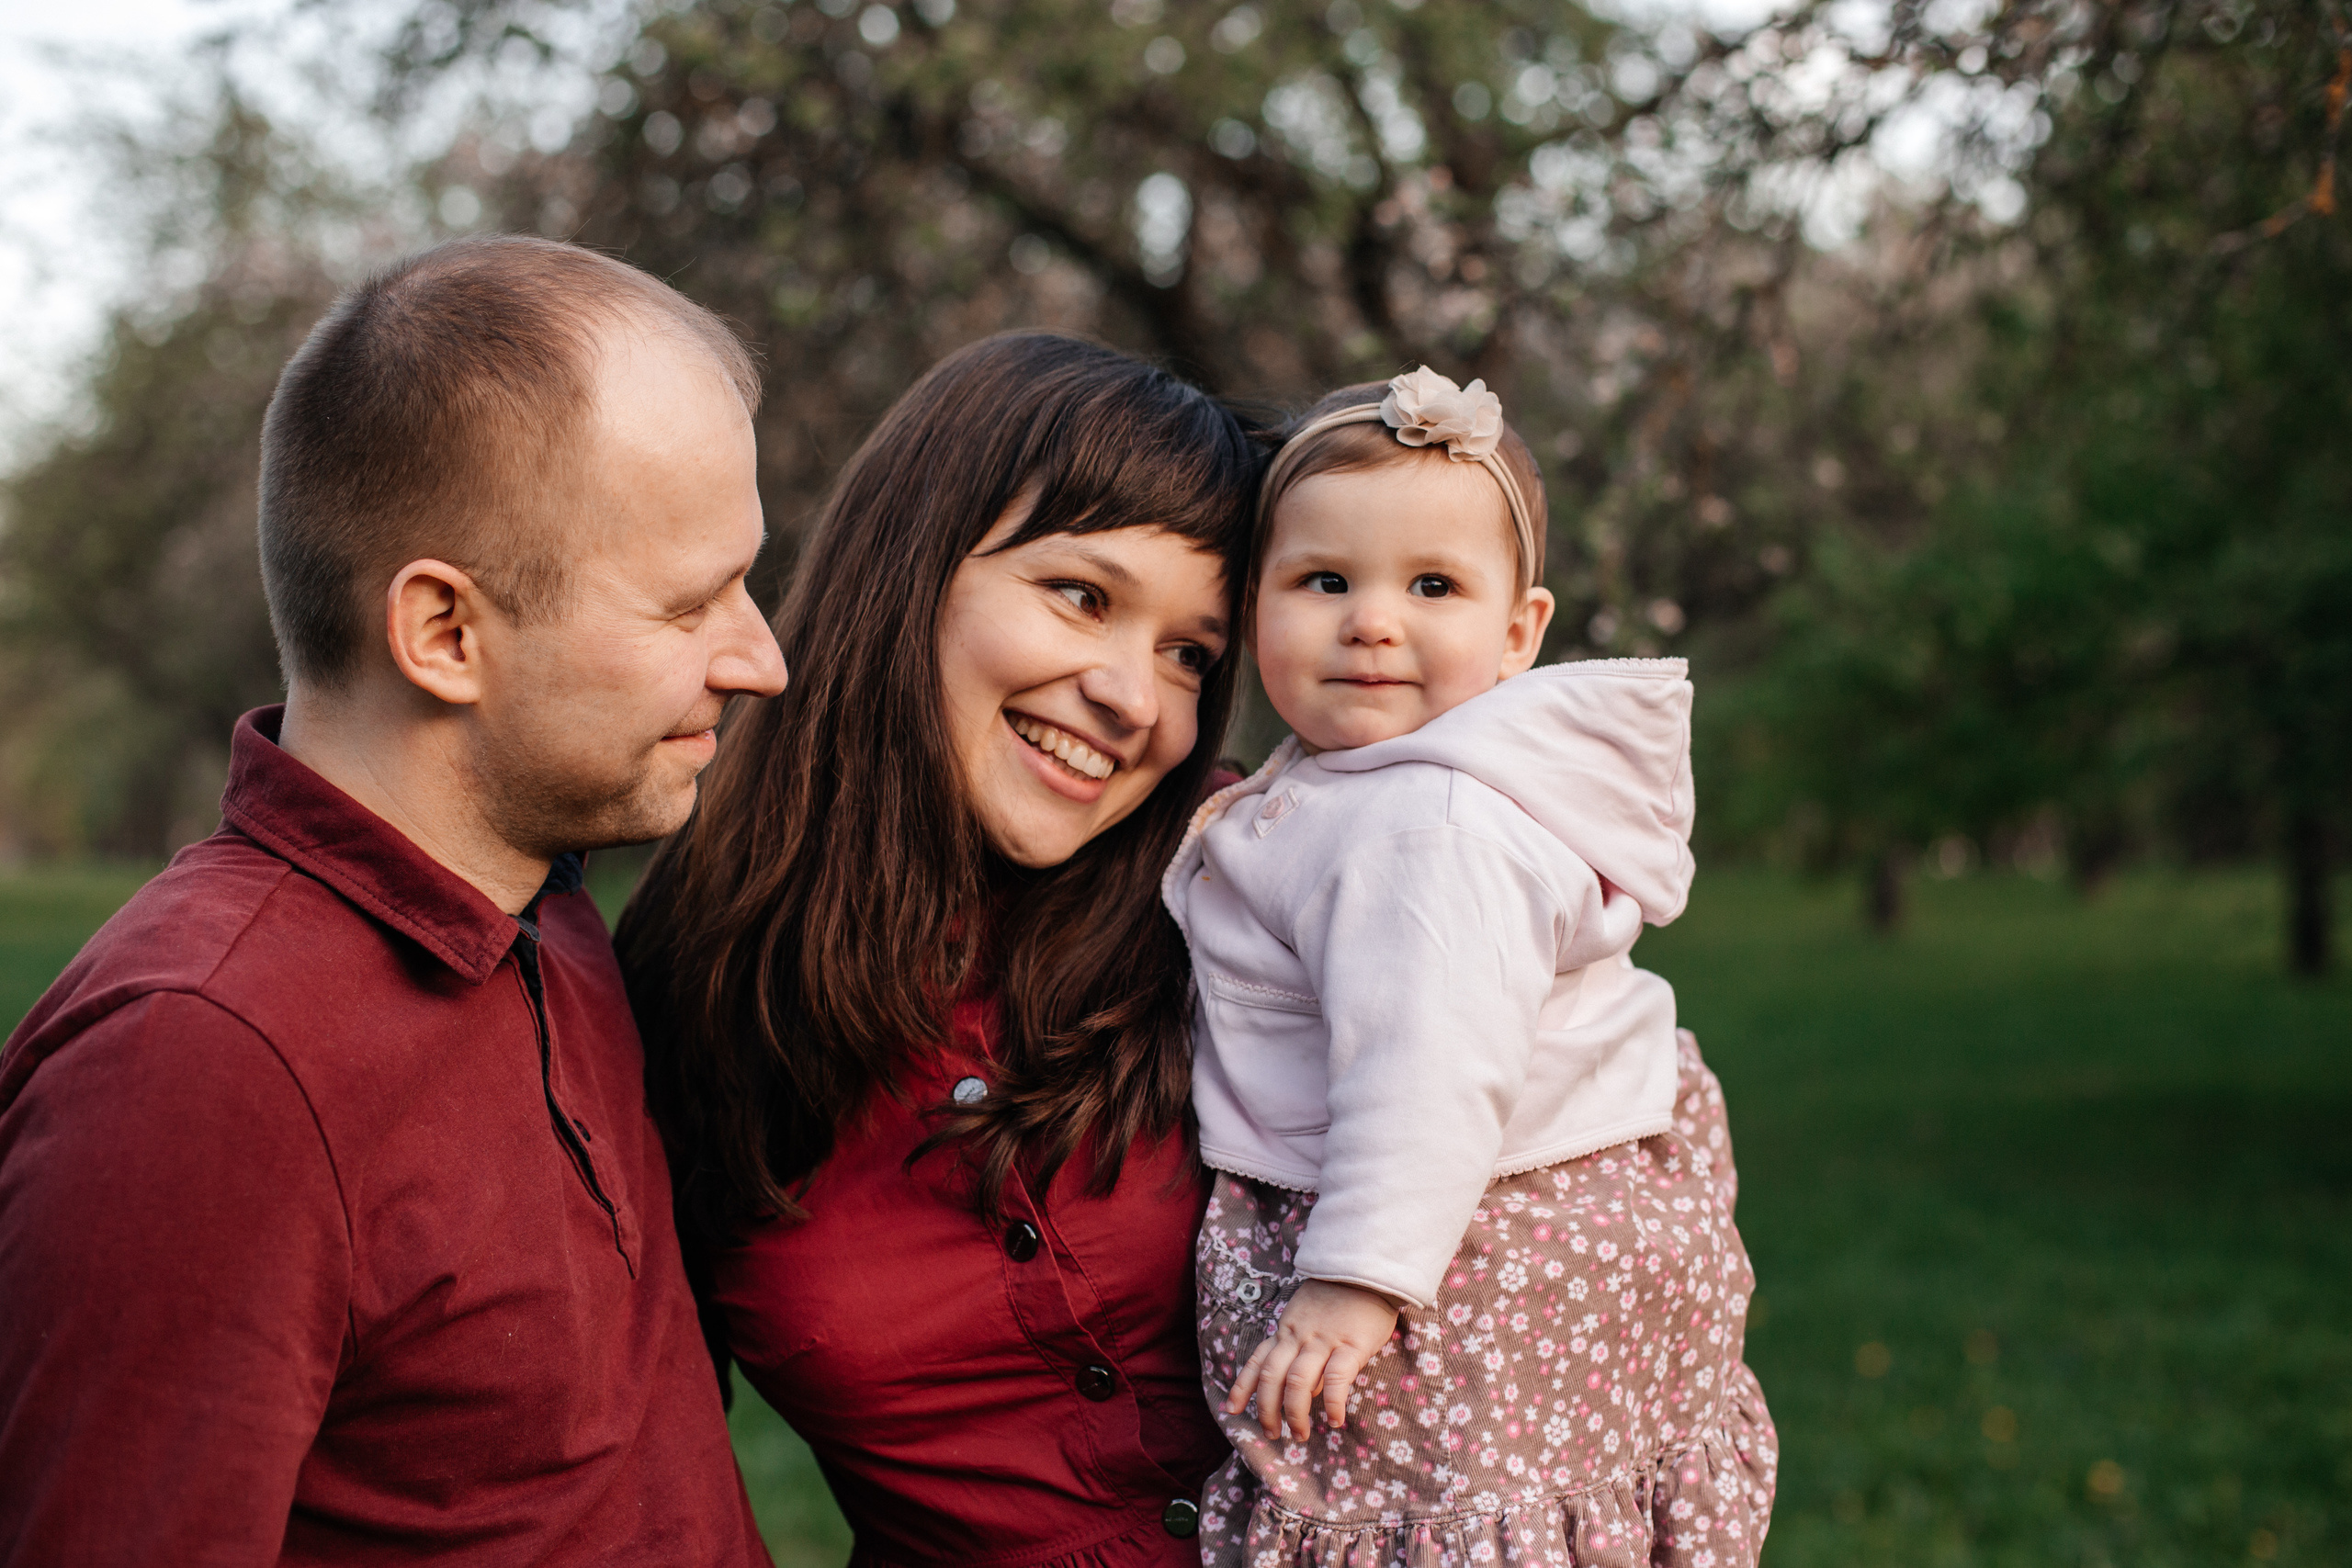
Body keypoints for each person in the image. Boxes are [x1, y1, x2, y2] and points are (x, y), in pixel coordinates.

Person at [0, 236, 787, 1564]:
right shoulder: (198, 1067)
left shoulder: (544, 909)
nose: (759, 658)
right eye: (689, 604)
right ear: (447, 635)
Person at [616, 332, 1262, 1567]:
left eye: (1191, 653)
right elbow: (640, 1474)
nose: (1137, 698)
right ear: (908, 567)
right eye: (1084, 595)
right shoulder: (690, 991)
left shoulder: (1250, 891)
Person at [1165, 369, 1780, 1565]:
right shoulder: (1367, 786)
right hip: (1495, 1204)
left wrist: (1355, 1282)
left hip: (1453, 1247)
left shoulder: (1424, 829)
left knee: (1444, 1525)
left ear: (1518, 635)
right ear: (1256, 612)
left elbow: (1430, 1067)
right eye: (1324, 581)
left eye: (1431, 586)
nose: (1372, 621)